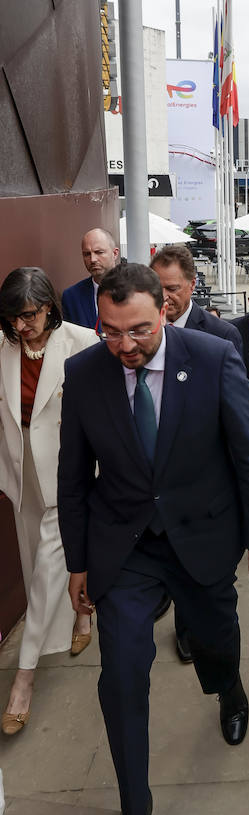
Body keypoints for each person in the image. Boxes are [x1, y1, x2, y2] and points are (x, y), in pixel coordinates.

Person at [58, 263, 249, 815]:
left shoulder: (212, 357)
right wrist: (78, 564)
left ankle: (229, 688)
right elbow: (74, 478)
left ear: (166, 310)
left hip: (204, 540)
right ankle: (134, 814)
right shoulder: (84, 374)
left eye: (139, 331)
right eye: (110, 332)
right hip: (126, 549)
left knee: (215, 642)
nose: (125, 346)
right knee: (121, 673)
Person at [0, 269, 98, 735]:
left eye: (29, 315)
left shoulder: (80, 341)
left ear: (48, 307)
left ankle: (24, 677)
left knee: (45, 574)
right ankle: (82, 614)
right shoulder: (2, 348)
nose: (22, 326)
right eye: (13, 318)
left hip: (69, 474)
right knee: (32, 560)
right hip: (21, 476)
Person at [150, 245, 244, 354]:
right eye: (157, 288)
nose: (163, 296)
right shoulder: (141, 330)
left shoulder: (222, 335)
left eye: (172, 289)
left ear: (192, 284)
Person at [61, 228, 121, 329]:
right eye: (87, 254)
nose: (93, 259)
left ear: (115, 253)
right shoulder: (71, 297)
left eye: (99, 252)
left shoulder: (135, 290)